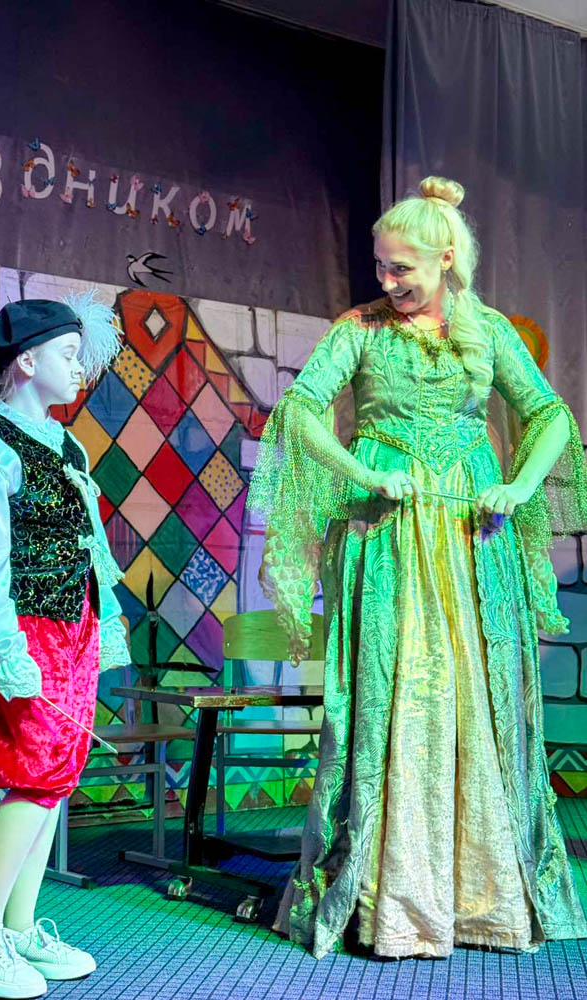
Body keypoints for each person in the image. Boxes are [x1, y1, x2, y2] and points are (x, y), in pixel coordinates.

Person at [248, 177, 587, 960]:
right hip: (385, 531)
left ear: (446, 259)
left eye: (402, 267)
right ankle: (385, 897)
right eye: (380, 266)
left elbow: (549, 415)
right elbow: (300, 410)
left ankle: (481, 895)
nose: (388, 280)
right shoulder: (360, 330)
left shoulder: (488, 331)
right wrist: (360, 473)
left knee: (476, 694)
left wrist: (518, 487)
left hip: (474, 534)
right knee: (389, 693)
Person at [0, 293, 130, 998]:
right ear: (26, 361)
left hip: (74, 626)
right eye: (69, 355)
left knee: (57, 775)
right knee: (33, 774)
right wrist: (5, 649)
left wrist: (103, 620)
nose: (81, 369)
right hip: (26, 634)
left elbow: (87, 542)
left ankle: (18, 926)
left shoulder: (65, 444)